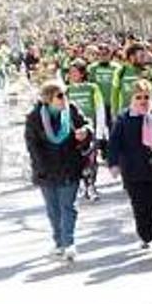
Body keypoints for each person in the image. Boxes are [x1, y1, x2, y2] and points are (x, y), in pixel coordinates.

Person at [107, 79, 152, 250]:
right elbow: (114, 142)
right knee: (141, 206)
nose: (143, 101)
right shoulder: (125, 117)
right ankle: (145, 236)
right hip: (134, 170)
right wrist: (113, 163)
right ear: (132, 98)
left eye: (146, 97)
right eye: (138, 97)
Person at [25, 81, 93, 261]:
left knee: (68, 207)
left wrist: (85, 132)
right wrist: (41, 168)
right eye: (60, 96)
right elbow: (32, 146)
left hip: (70, 166)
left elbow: (87, 125)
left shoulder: (71, 111)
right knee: (53, 209)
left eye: (65, 94)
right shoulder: (34, 117)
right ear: (48, 99)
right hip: (46, 171)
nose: (65, 99)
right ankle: (58, 242)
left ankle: (69, 243)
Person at [65, 60, 107, 201]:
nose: (72, 75)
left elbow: (99, 108)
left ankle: (91, 185)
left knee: (91, 159)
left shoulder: (92, 88)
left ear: (82, 73)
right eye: (70, 72)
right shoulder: (67, 90)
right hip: (74, 131)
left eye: (75, 72)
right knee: (77, 159)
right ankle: (82, 184)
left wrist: (100, 130)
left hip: (90, 129)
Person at [110, 43, 151, 117]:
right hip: (126, 114)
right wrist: (114, 113)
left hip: (144, 114)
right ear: (131, 56)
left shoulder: (148, 71)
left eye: (144, 56)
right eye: (141, 56)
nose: (143, 59)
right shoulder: (121, 71)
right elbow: (114, 95)